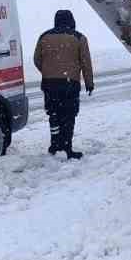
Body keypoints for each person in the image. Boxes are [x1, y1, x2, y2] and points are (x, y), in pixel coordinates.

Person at [33, 9, 95, 159]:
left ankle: (55, 145)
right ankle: (67, 147)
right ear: (71, 21)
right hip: (70, 84)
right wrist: (89, 83)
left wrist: (48, 71)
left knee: (53, 114)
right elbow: (86, 63)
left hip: (49, 84)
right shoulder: (79, 38)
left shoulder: (44, 36)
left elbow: (37, 59)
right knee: (69, 115)